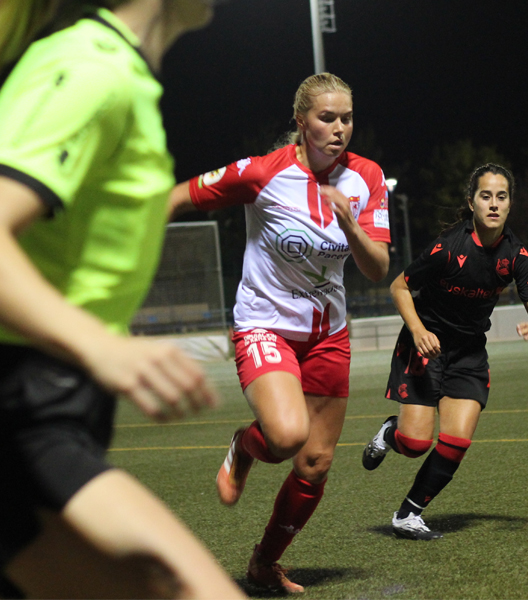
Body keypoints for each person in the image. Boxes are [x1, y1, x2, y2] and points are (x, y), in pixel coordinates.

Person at [0, 1, 244, 598]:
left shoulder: (94, 68)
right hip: (1, 421)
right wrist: (98, 345)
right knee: (183, 585)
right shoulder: (92, 69)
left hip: (46, 408)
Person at [168, 73, 391, 593]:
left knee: (314, 463)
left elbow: (378, 268)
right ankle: (245, 446)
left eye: (347, 119)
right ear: (300, 122)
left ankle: (263, 563)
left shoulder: (367, 178)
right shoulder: (262, 173)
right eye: (326, 118)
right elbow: (182, 193)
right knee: (287, 436)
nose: (339, 129)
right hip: (264, 324)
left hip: (329, 336)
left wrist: (352, 226)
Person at [360, 163, 528, 540]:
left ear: (510, 204)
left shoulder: (516, 255)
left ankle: (408, 514)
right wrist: (417, 330)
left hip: (468, 355)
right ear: (472, 202)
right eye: (485, 196)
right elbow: (399, 287)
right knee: (415, 444)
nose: (493, 204)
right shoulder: (449, 247)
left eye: (501, 196)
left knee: (456, 441)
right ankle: (390, 433)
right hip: (425, 348)